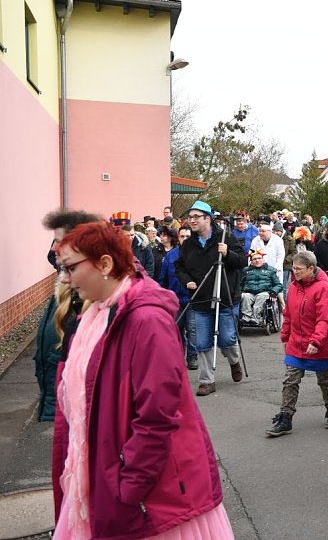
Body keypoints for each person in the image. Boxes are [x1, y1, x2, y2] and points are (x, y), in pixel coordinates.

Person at [52, 221, 233, 539]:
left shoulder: (146, 320)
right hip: (108, 478)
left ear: (105, 264)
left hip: (151, 498)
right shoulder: (97, 314)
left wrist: (127, 488)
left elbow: (157, 417)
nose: (64, 278)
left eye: (70, 268)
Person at [35, 209, 101, 422]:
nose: (53, 249)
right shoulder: (65, 291)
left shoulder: (100, 298)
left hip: (88, 414)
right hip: (64, 407)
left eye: (59, 241)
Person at [266, 251, 328, 437]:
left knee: (324, 379)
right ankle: (286, 417)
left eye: (299, 269)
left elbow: (324, 319)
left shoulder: (324, 289)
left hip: (318, 343)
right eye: (293, 268)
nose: (295, 272)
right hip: (296, 342)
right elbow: (289, 314)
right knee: (290, 380)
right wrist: (285, 336)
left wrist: (315, 341)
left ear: (311, 269)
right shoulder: (293, 286)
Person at [175, 200, 245, 396]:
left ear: (208, 218)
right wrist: (186, 281)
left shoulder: (226, 237)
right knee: (202, 342)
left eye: (196, 217)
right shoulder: (188, 244)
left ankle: (234, 361)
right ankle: (207, 380)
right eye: (189, 217)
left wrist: (228, 253)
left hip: (225, 298)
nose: (191, 220)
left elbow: (242, 261)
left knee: (227, 339)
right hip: (199, 299)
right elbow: (179, 267)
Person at [160, 226, 197, 370]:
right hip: (174, 299)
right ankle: (178, 355)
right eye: (182, 236)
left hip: (192, 299)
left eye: (188, 236)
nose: (185, 239)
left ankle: (192, 356)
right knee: (176, 329)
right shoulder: (170, 256)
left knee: (192, 329)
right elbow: (163, 278)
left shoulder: (197, 255)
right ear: (178, 238)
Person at [239, 250, 284, 325]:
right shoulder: (246, 270)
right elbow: (241, 284)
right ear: (251, 261)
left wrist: (273, 292)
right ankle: (247, 317)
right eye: (255, 259)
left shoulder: (270, 270)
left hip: (264, 292)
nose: (257, 260)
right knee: (245, 296)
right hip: (249, 292)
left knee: (262, 296)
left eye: (259, 258)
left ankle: (256, 318)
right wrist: (239, 293)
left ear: (263, 260)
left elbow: (278, 285)